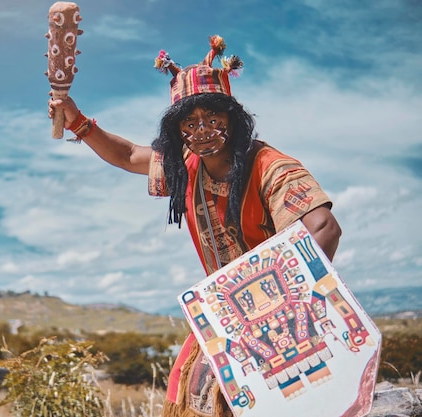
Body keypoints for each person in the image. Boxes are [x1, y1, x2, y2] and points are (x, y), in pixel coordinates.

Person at [48, 35, 341, 417]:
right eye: (189, 121)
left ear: (233, 120)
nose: (201, 129)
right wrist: (78, 121)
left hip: (287, 319)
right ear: (178, 130)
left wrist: (272, 312)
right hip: (223, 316)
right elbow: (126, 154)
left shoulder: (271, 167)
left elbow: (323, 229)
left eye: (212, 117)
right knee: (192, 395)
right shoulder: (185, 170)